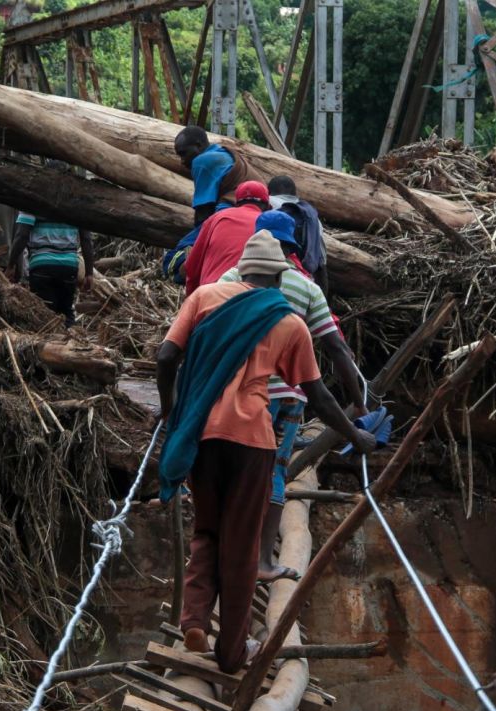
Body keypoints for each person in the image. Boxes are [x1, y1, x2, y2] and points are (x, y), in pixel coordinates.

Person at [156, 231, 377, 672]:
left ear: (241, 270)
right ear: (278, 277)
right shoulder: (287, 320)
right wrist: (356, 435)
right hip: (252, 442)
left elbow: (165, 357)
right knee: (240, 547)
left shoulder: (204, 297)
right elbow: (318, 396)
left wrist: (171, 413)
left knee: (207, 531)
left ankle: (195, 619)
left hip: (202, 434)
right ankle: (233, 652)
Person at [219, 210, 367, 582]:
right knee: (275, 473)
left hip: (238, 393)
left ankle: (229, 552)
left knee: (236, 469)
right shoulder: (306, 287)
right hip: (288, 396)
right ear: (290, 247)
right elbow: (335, 347)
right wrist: (360, 400)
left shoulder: (231, 279)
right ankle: (263, 561)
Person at [184, 181, 271, 293]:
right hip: (250, 299)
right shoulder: (270, 225)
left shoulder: (217, 217)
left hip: (212, 293)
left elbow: (192, 266)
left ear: (237, 202)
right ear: (267, 205)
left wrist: (193, 297)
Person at [10, 213, 95, 324]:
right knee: (66, 313)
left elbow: (22, 235)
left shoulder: (31, 200)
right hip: (68, 267)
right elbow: (86, 238)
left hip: (41, 266)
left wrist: (11, 265)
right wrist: (89, 273)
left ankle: (52, 339)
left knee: (44, 317)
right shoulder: (76, 203)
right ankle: (70, 336)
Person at [267, 174, 328, 291]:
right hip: (303, 281)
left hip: (268, 276)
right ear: (295, 195)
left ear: (269, 192)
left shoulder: (268, 204)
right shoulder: (311, 216)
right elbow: (321, 261)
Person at [175, 125, 239, 226]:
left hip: (235, 214)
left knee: (187, 242)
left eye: (184, 153)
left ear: (198, 145)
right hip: (256, 212)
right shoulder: (220, 152)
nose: (182, 161)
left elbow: (203, 212)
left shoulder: (202, 161)